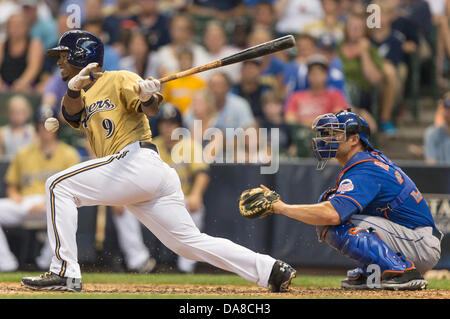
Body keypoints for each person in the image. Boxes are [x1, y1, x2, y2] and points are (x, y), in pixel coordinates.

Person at [21, 30, 296, 293]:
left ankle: (64, 271)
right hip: (136, 173)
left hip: (136, 161)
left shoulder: (119, 78)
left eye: (64, 54)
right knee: (188, 244)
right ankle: (270, 269)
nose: (58, 60)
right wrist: (71, 89)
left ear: (82, 54)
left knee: (57, 185)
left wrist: (147, 95)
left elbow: (151, 108)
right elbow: (71, 116)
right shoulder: (82, 93)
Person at [258, 110, 442, 290]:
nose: (327, 139)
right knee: (330, 204)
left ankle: (400, 271)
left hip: (420, 243)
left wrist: (281, 208)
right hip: (412, 238)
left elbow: (331, 215)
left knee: (331, 220)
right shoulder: (365, 162)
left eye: (335, 134)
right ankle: (374, 271)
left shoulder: (365, 169)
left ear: (354, 139)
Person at [0, 107, 80, 272]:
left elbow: (74, 190)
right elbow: (12, 185)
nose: (46, 129)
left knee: (62, 213)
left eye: (50, 124)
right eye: (43, 124)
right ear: (37, 127)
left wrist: (45, 203)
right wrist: (14, 196)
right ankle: (6, 264)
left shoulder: (69, 153)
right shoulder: (24, 153)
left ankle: (47, 263)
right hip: (26, 202)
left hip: (53, 203)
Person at [152, 104, 210, 273]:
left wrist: (196, 194)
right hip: (156, 201)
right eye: (164, 123)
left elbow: (202, 173)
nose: (168, 127)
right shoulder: (151, 146)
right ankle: (139, 261)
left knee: (196, 207)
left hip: (182, 200)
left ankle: (186, 266)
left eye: (172, 123)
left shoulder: (190, 145)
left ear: (179, 125)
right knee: (125, 209)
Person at [0, 12, 43, 93]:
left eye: (19, 25)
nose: (15, 28)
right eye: (12, 25)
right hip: (4, 86)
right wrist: (1, 85)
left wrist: (21, 83)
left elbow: (34, 68)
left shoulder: (34, 44)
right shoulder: (2, 45)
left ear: (27, 27)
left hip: (27, 86)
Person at [161, 46, 206, 114]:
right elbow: (163, 102)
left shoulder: (200, 82)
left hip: (194, 117)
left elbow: (203, 105)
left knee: (198, 122)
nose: (185, 61)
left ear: (192, 61)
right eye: (182, 59)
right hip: (174, 118)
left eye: (187, 59)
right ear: (178, 60)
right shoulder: (169, 78)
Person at [0, 95, 36, 160]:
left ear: (27, 113)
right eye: (14, 112)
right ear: (8, 113)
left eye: (21, 112)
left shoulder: (33, 132)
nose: (17, 116)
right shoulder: (2, 133)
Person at [424, 93, 450, 165]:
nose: (448, 110)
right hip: (440, 175)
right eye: (446, 105)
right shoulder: (432, 133)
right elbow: (432, 166)